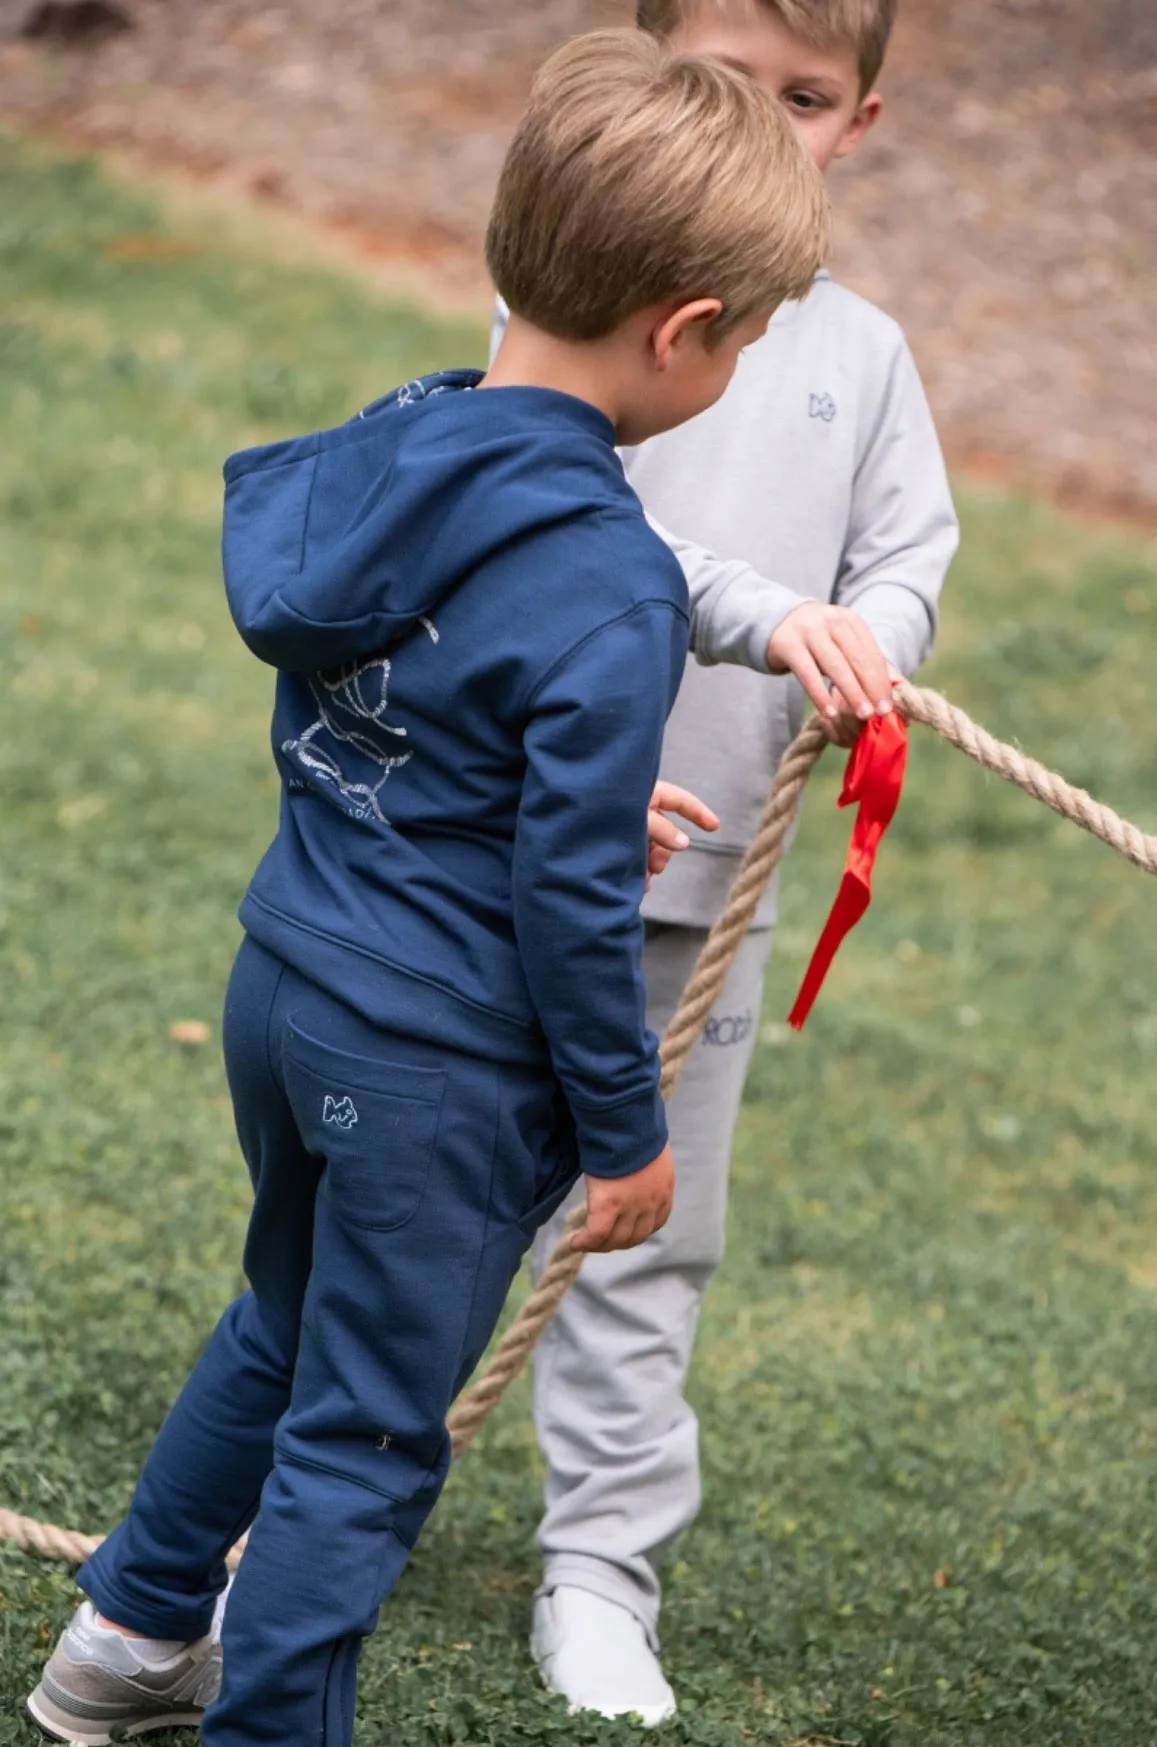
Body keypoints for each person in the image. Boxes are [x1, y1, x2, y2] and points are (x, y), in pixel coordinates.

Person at [26, 29, 832, 1747]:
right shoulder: (614, 579)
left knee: (285, 1316)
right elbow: (559, 913)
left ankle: (123, 1646)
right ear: (686, 333)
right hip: (432, 1065)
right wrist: (625, 1130)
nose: (745, 363)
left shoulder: (400, 443)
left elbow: (377, 700)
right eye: (750, 339)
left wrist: (559, 800)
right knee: (369, 1431)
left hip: (287, 979)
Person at [517, 0, 960, 1724]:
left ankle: (600, 1571)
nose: (765, 127)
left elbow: (908, 548)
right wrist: (769, 612)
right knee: (424, 1209)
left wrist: (868, 636)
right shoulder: (556, 305)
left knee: (644, 1234)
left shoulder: (865, 356)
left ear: (860, 119)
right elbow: (568, 521)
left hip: (702, 907)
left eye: (804, 98)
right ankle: (326, 1503)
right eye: (720, 83)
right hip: (515, 859)